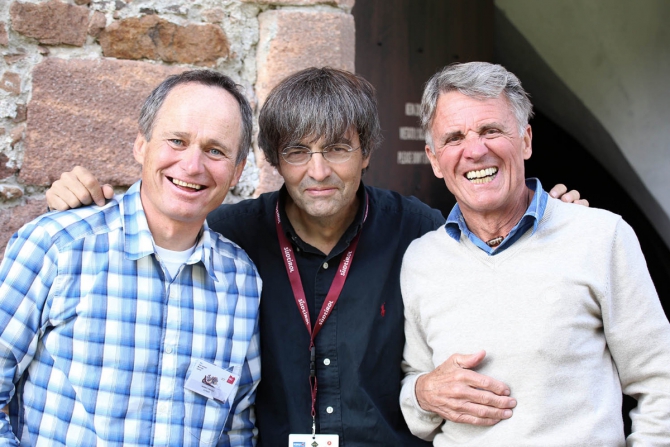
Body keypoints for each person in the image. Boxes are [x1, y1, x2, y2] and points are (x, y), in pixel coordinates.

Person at [45, 67, 585, 446]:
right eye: (298, 152)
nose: (318, 171)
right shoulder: (229, 239)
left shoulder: (420, 231)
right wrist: (81, 203)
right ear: (273, 160)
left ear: (366, 151)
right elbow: (162, 225)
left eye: (338, 148)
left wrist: (548, 222)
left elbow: (497, 257)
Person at [399, 61, 670, 446]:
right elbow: (416, 394)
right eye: (454, 138)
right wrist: (423, 393)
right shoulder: (421, 259)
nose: (474, 151)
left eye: (491, 131)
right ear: (434, 158)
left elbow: (661, 380)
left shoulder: (601, 237)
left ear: (525, 140)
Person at [0, 70, 262, 446]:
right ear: (141, 145)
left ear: (237, 171)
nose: (192, 165)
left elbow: (235, 427)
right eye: (177, 141)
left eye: (215, 150)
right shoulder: (58, 246)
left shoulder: (242, 281)